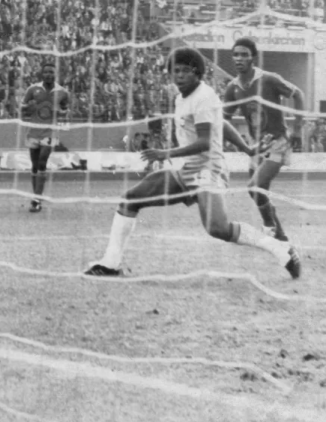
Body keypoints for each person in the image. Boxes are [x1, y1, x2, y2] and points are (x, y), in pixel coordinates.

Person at [84, 48, 300, 279]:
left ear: (197, 73)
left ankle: (279, 248)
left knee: (218, 228)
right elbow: (221, 123)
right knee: (131, 199)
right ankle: (111, 263)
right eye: (175, 71)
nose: (179, 75)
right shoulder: (182, 97)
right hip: (186, 168)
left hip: (208, 169)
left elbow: (205, 142)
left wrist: (166, 153)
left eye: (185, 70)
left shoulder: (203, 97)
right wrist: (246, 148)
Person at [223, 37, 305, 242]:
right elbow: (223, 120)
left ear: (253, 57)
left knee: (254, 186)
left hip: (278, 143)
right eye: (235, 55)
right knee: (260, 194)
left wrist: (297, 130)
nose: (239, 58)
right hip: (257, 146)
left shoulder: (269, 79)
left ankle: (269, 228)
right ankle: (280, 237)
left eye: (244, 55)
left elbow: (299, 95)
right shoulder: (232, 88)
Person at [21, 63, 70, 212]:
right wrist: (29, 108)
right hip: (34, 131)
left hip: (50, 132)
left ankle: (36, 199)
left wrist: (61, 114)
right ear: (42, 74)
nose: (49, 74)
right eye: (46, 72)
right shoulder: (32, 89)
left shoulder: (62, 92)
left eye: (51, 72)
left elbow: (65, 109)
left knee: (42, 161)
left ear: (55, 74)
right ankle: (37, 197)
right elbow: (22, 109)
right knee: (35, 166)